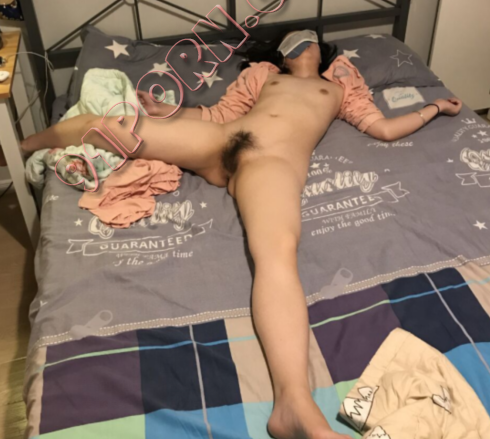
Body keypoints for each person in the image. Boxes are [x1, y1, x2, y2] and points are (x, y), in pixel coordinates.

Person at [4, 30, 463, 439]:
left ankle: (293, 405)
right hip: (221, 140)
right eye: (290, 39)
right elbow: (218, 113)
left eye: (307, 36)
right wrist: (169, 112)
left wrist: (435, 106)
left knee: (277, 255)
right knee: (108, 127)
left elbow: (383, 127)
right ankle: (20, 146)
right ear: (281, 54)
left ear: (322, 50)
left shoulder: (340, 84)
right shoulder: (264, 74)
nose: (298, 40)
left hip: (271, 162)